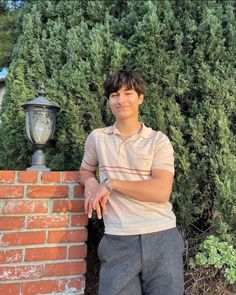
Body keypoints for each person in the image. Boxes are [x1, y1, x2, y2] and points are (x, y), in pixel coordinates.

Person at [79, 69, 184, 295]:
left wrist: (110, 183)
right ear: (108, 100)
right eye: (114, 95)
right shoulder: (97, 138)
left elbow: (160, 192)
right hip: (118, 239)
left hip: (161, 237)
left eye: (128, 93)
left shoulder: (158, 141)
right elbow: (85, 170)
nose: (121, 100)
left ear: (140, 98)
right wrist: (91, 184)